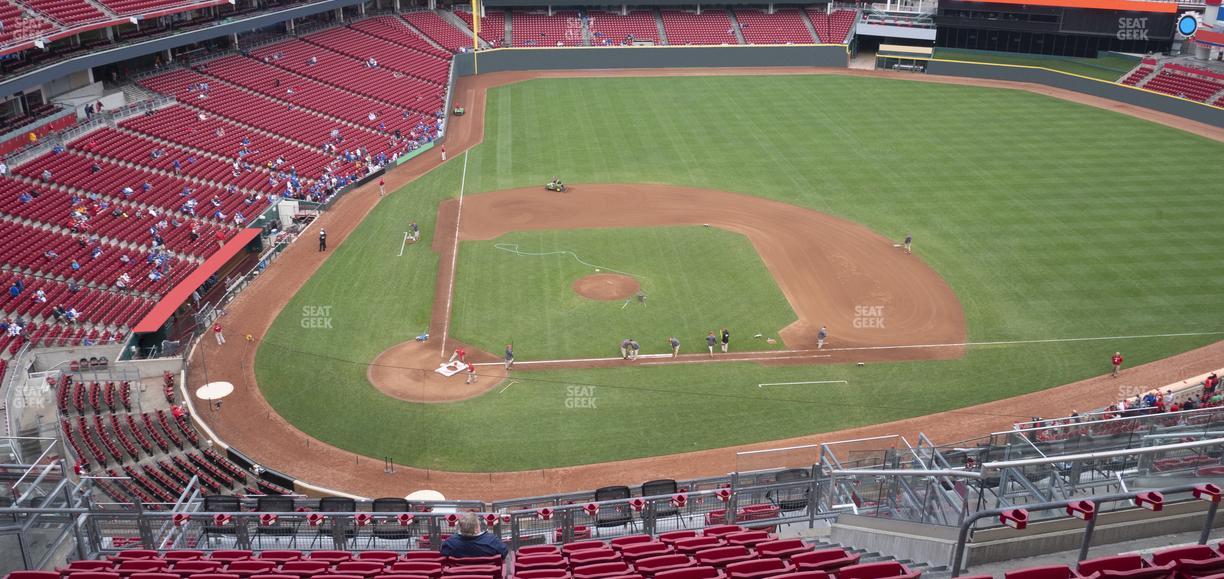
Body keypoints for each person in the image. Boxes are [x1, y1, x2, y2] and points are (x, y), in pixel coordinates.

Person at [439, 512, 507, 558]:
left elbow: (444, 555)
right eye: (478, 524)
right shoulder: (492, 541)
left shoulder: (450, 543)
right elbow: (504, 553)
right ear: (476, 529)